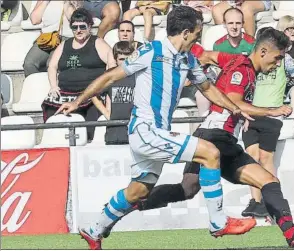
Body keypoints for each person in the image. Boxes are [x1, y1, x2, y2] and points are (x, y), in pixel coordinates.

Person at [56, 6, 257, 250]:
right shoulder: (152, 51)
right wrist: (77, 101)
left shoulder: (188, 58)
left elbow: (207, 89)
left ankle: (93, 229)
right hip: (146, 130)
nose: (198, 36)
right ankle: (218, 222)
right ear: (185, 32)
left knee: (138, 192)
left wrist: (233, 108)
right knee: (211, 153)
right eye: (197, 31)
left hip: (155, 133)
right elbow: (111, 77)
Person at [116, 28, 294, 248]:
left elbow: (209, 56)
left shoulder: (236, 60)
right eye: (277, 58)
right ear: (263, 51)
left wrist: (197, 61)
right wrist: (271, 110)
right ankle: (289, 231)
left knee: (187, 189)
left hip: (214, 137)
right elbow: (235, 102)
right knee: (267, 181)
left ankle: (132, 204)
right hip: (216, 138)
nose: (277, 64)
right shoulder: (244, 70)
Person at [241, 28, 294, 218]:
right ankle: (255, 201)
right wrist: (242, 111)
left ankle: (271, 202)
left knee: (266, 159)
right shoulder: (250, 60)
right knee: (251, 157)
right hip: (251, 115)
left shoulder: (285, 60)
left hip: (273, 115)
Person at [43, 8, 112, 141]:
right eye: (75, 27)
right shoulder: (65, 44)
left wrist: (103, 85)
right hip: (65, 93)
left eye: (82, 26)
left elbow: (111, 62)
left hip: (91, 95)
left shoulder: (97, 42)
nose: (78, 30)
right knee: (53, 114)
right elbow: (52, 66)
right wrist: (53, 86)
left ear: (90, 26)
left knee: (91, 123)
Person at [23, 0, 76, 77]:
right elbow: (34, 20)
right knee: (29, 63)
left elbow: (74, 19)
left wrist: (67, 4)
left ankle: (55, 87)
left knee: (51, 64)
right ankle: (36, 87)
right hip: (47, 38)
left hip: (66, 37)